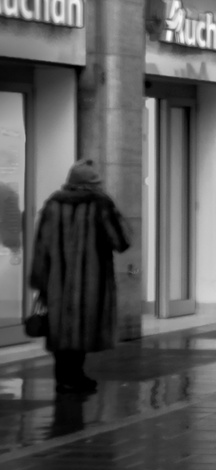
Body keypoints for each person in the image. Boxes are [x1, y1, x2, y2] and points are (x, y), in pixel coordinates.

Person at [28, 159, 131, 394]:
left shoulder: (53, 204)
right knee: (83, 328)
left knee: (60, 330)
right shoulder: (101, 204)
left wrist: (40, 279)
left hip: (57, 283)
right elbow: (121, 241)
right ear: (93, 183)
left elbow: (41, 246)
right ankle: (75, 376)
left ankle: (65, 378)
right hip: (90, 283)